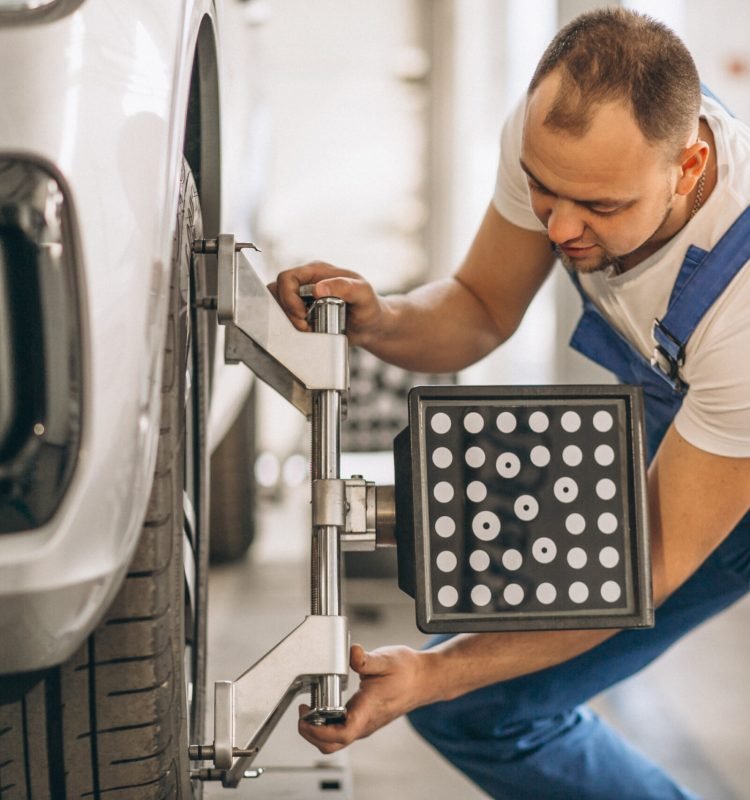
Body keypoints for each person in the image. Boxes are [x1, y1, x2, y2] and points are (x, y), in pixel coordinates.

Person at [271, 8, 750, 799]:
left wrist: (431, 670)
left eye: (599, 207)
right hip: (693, 426)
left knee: (466, 696)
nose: (558, 225)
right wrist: (380, 318)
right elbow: (480, 307)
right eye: (542, 189)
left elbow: (643, 569)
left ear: (689, 163)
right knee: (473, 705)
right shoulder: (560, 145)